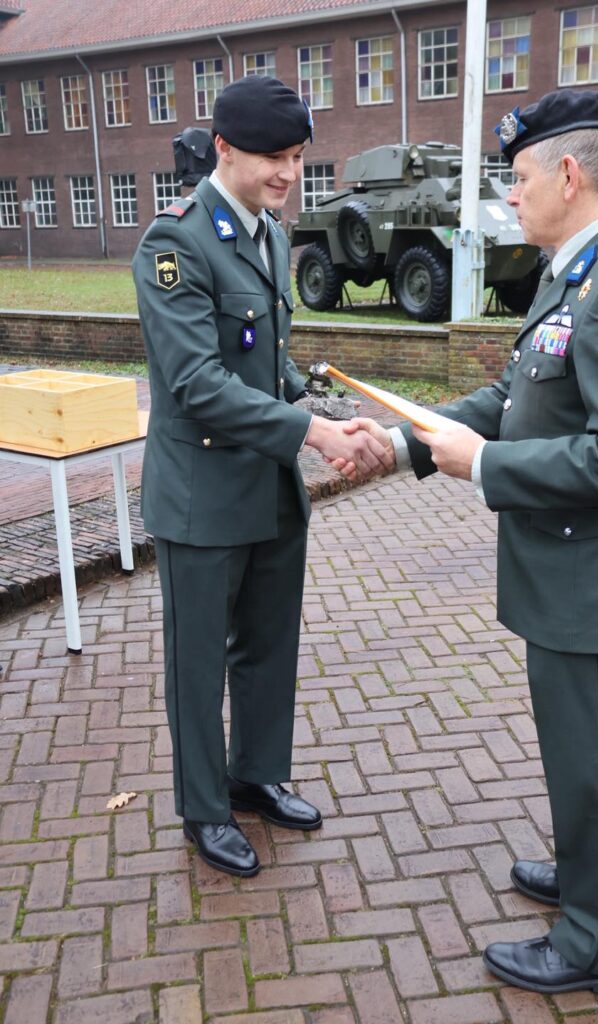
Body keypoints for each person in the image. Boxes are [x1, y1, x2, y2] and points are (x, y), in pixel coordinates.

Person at [345, 89, 598, 992]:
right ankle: (583, 877)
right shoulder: (578, 269)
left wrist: (486, 466)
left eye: (520, 177)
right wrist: (406, 441)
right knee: (576, 755)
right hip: (572, 574)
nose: (511, 195)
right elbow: (518, 396)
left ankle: (596, 947)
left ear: (568, 175)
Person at [132, 75, 392, 878]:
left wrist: (318, 410)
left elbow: (267, 361)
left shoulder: (272, 237)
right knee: (199, 661)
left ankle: (255, 775)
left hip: (269, 485)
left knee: (269, 644)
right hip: (203, 493)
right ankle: (205, 809)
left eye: (298, 156)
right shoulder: (175, 243)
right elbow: (197, 384)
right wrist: (311, 432)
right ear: (223, 148)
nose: (288, 172)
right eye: (273, 156)